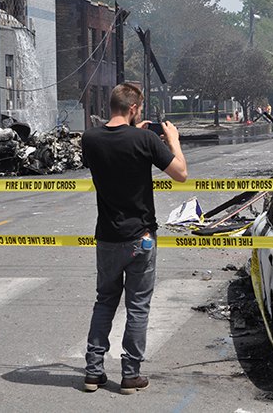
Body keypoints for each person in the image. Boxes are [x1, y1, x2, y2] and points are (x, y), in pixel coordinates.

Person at [81, 83, 187, 394]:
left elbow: (113, 147)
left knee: (105, 301)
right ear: (134, 109)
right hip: (141, 237)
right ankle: (130, 374)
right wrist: (173, 141)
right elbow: (181, 173)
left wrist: (134, 133)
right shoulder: (145, 139)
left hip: (107, 236)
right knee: (138, 305)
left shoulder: (90, 138)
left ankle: (93, 371)